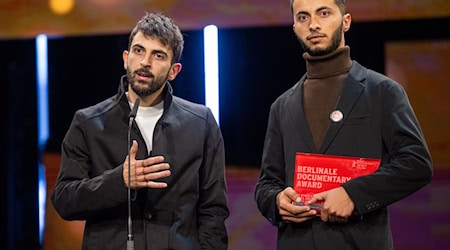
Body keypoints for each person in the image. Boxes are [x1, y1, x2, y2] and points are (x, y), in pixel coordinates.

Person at [254, 0, 433, 249]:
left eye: (324, 13)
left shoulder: (383, 91)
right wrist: (276, 201)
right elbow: (267, 183)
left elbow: (417, 163)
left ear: (346, 21)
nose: (314, 24)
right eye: (303, 17)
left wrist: (354, 195)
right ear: (294, 27)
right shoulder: (282, 106)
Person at [51, 12, 229, 250]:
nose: (145, 62)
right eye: (139, 50)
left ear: (174, 70)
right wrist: (118, 180)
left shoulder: (201, 123)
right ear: (126, 58)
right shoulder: (88, 122)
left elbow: (213, 210)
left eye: (158, 55)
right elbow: (64, 200)